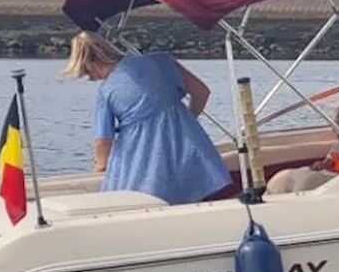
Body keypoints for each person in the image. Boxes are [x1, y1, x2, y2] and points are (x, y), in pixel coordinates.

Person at [60, 32, 232, 204]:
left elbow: (103, 141)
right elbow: (202, 92)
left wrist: (100, 167)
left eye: (87, 73)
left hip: (144, 163)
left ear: (93, 62)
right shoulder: (161, 61)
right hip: (187, 149)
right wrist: (186, 122)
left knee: (141, 205)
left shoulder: (106, 92)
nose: (91, 79)